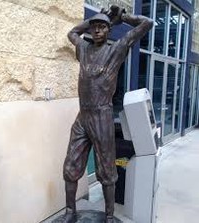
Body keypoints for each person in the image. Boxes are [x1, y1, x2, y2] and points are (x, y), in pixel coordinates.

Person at [63, 5, 153, 223]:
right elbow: (72, 33)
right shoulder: (83, 49)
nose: (96, 31)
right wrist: (94, 18)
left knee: (106, 170)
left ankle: (110, 215)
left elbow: (147, 23)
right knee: (70, 165)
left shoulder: (116, 50)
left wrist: (121, 17)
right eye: (94, 27)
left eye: (102, 27)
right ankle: (69, 211)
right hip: (83, 116)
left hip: (102, 115)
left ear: (109, 30)